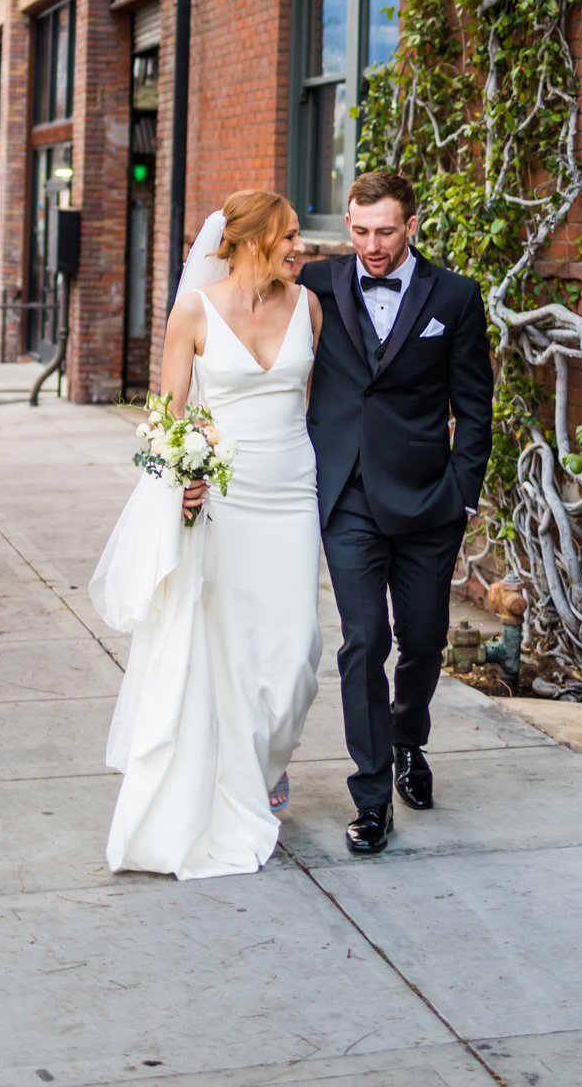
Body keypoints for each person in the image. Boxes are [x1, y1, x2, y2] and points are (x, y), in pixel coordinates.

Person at [91, 189, 323, 879]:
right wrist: (182, 476)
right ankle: (244, 780)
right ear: (250, 240)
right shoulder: (192, 311)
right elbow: (166, 416)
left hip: (292, 494)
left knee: (297, 654)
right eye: (288, 237)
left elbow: (311, 407)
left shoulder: (307, 307)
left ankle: (269, 761)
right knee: (228, 651)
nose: (300, 248)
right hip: (222, 498)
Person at [300, 169, 494, 855]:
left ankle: (409, 739)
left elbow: (474, 407)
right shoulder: (316, 283)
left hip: (425, 499)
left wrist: (461, 493)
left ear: (410, 224)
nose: (371, 245)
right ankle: (372, 795)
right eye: (358, 231)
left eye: (384, 231)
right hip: (346, 493)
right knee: (363, 642)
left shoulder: (455, 297)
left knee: (421, 641)